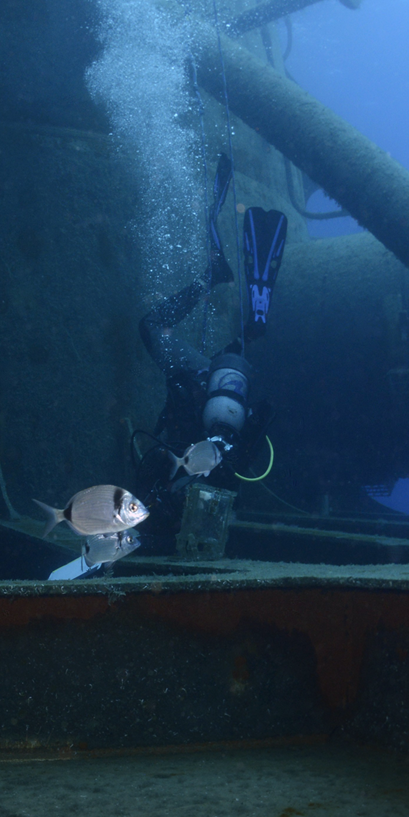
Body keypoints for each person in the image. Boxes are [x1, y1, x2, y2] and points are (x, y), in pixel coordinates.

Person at [132, 153, 284, 541]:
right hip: (204, 380)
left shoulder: (229, 463)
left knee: (201, 359)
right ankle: (213, 281)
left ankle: (249, 331)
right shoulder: (208, 467)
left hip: (216, 379)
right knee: (152, 328)